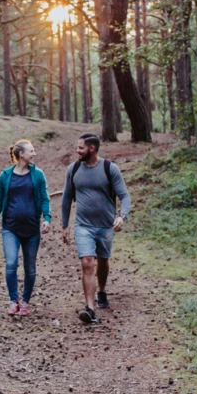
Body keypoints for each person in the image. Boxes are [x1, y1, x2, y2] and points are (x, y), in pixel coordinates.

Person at [59, 133, 131, 324]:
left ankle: (101, 291)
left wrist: (122, 216)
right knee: (87, 263)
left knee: (103, 262)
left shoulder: (109, 169)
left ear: (91, 149)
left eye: (80, 148)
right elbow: (66, 198)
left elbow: (124, 196)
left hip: (106, 226)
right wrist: (64, 225)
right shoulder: (73, 169)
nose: (77, 151)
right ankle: (89, 309)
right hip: (83, 226)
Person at [0, 139, 51, 315]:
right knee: (12, 263)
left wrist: (47, 218)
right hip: (10, 228)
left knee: (30, 268)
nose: (34, 154)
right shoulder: (5, 176)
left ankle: (25, 301)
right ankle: (13, 300)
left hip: (31, 230)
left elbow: (45, 198)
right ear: (21, 154)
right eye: (31, 151)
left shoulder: (38, 175)